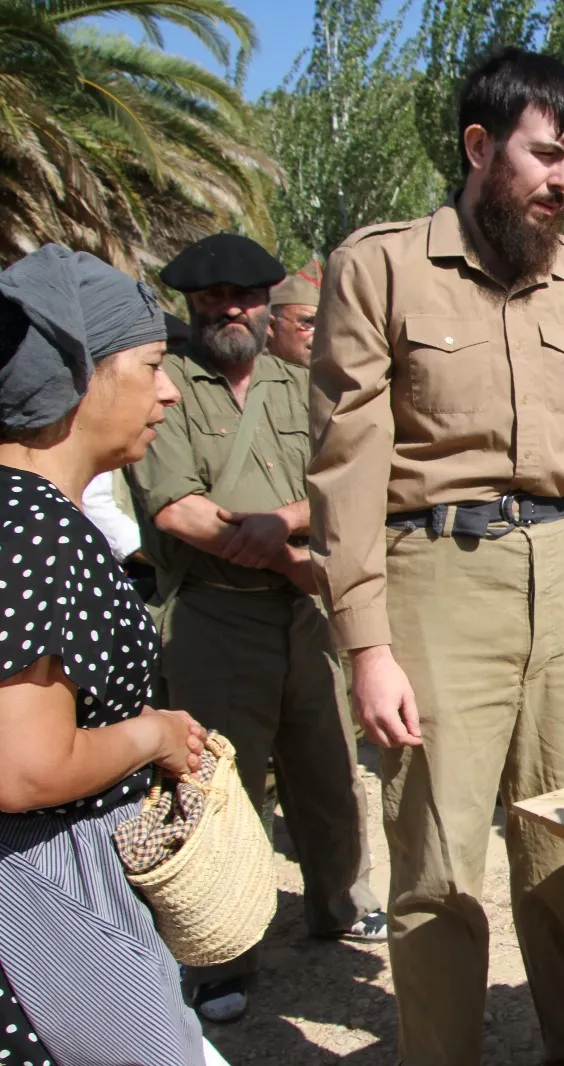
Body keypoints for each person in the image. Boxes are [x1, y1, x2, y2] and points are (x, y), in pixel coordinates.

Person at [308, 49, 564, 1066]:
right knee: (437, 858)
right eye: (546, 154)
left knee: (561, 833)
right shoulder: (377, 267)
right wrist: (366, 643)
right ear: (477, 145)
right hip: (434, 579)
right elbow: (345, 473)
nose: (563, 179)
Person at [128, 232, 383, 1024]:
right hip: (214, 614)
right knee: (218, 791)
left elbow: (340, 478)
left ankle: (341, 903)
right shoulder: (164, 387)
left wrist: (282, 522)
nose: (230, 309)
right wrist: (285, 555)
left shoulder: (297, 382)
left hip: (302, 618)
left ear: (267, 303)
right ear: (191, 305)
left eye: (244, 296)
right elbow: (176, 508)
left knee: (328, 767)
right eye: (213, 299)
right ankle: (219, 956)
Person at [0, 244, 209, 1065]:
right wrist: (152, 736)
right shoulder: (33, 529)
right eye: (152, 364)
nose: (167, 389)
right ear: (82, 376)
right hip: (48, 903)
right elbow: (25, 767)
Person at [266, 258, 321, 368]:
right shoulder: (246, 377)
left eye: (325, 325)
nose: (321, 334)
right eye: (308, 322)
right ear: (272, 326)